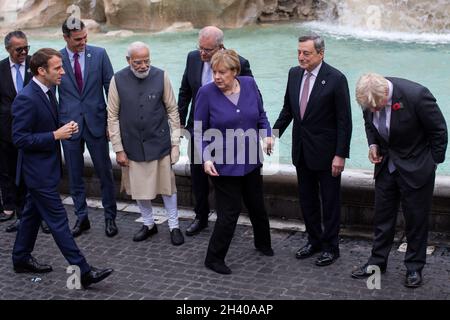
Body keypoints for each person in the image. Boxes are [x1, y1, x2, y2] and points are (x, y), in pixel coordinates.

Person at [11, 48, 113, 288]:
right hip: (38, 174)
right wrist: (55, 135)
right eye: (57, 68)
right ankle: (83, 271)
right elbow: (20, 139)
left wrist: (64, 128)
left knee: (31, 216)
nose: (63, 72)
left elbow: (42, 125)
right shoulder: (27, 97)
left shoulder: (46, 92)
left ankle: (20, 258)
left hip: (45, 170)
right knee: (58, 222)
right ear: (41, 71)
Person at [351, 73, 447, 288]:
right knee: (382, 218)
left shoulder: (417, 95)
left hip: (417, 169)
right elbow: (370, 124)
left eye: (378, 107)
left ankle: (414, 267)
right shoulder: (368, 97)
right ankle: (377, 263)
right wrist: (373, 145)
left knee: (416, 221)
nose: (374, 110)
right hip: (386, 167)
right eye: (371, 108)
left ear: (386, 93)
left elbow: (439, 131)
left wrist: (431, 164)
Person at [273, 33, 352, 266]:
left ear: (321, 53)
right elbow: (288, 110)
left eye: (306, 53)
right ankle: (314, 240)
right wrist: (273, 135)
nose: (301, 57)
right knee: (307, 200)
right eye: (298, 52)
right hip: (302, 150)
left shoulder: (336, 78)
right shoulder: (293, 74)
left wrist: (340, 154)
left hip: (328, 155)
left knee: (329, 202)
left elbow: (344, 121)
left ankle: (331, 247)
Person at [194, 49, 274, 275]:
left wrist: (267, 134)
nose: (217, 77)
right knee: (229, 214)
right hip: (223, 165)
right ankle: (214, 258)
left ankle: (263, 243)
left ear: (235, 71)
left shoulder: (249, 84)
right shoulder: (206, 93)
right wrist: (206, 158)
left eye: (222, 72)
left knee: (257, 205)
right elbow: (198, 131)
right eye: (214, 72)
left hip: (251, 160)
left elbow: (261, 115)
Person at [178, 26, 255, 236]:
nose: (202, 53)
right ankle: (200, 217)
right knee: (197, 175)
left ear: (220, 47)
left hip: (227, 133)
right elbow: (185, 91)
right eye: (200, 48)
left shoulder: (240, 63)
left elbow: (250, 97)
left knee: (230, 179)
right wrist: (180, 122)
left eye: (208, 50)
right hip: (199, 128)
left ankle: (227, 220)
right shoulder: (193, 58)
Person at [107, 42, 184, 246]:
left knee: (168, 188)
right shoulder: (117, 79)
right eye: (138, 62)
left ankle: (174, 226)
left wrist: (175, 143)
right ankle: (149, 224)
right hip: (132, 145)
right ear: (128, 61)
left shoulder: (162, 76)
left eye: (147, 61)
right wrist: (118, 149)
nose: (143, 66)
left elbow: (173, 111)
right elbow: (112, 116)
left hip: (160, 144)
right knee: (139, 188)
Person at [58, 18, 118, 237]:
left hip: (96, 124)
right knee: (74, 175)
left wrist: (111, 124)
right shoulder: (56, 58)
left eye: (84, 37)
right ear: (65, 38)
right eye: (77, 39)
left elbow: (111, 92)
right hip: (69, 126)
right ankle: (81, 218)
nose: (82, 42)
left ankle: (110, 218)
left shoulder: (100, 54)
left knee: (105, 173)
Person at [0, 30, 49, 234]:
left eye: (26, 48)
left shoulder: (36, 65)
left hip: (35, 131)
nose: (23, 52)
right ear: (8, 49)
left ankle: (43, 217)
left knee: (37, 176)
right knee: (13, 176)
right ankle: (22, 216)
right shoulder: (1, 69)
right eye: (18, 49)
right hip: (7, 132)